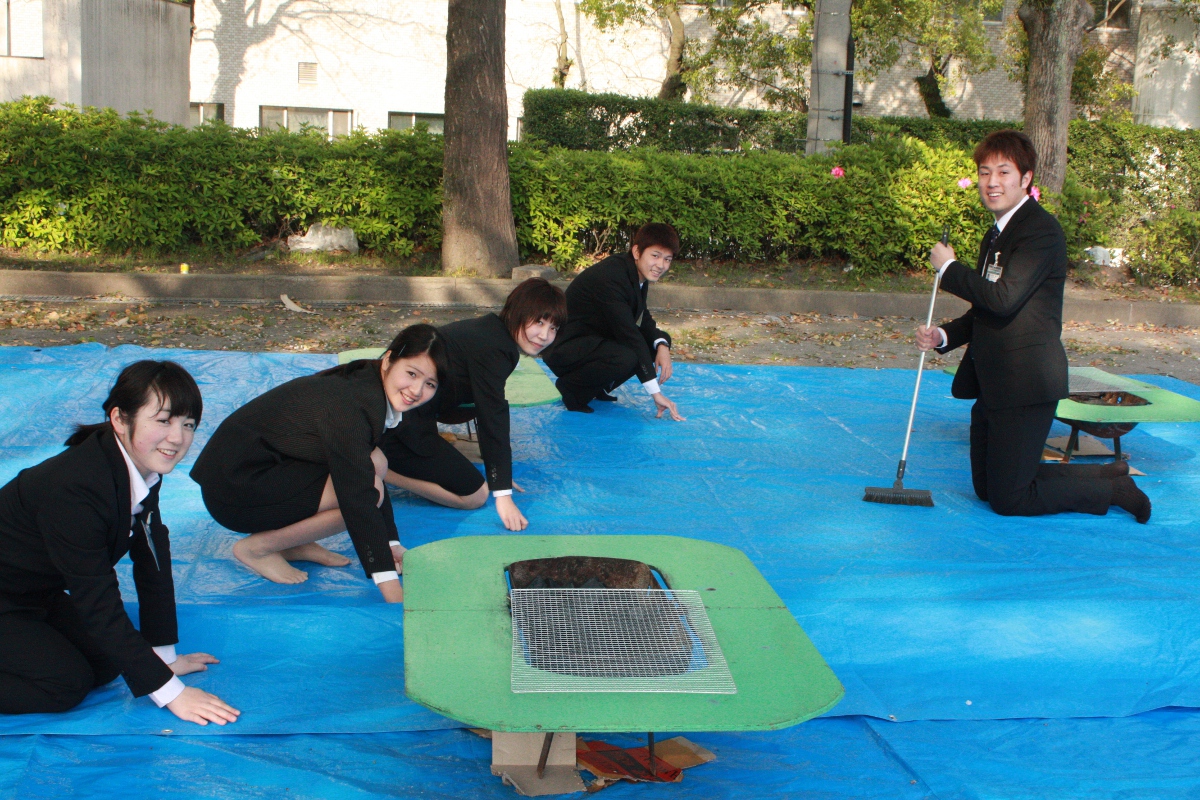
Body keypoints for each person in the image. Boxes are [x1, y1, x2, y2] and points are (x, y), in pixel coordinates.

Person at [917, 129, 1151, 522]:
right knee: (988, 488)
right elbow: (985, 309)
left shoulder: (1040, 231)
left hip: (1027, 383)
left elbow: (1003, 298)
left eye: (1003, 172)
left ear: (1025, 179)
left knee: (1010, 499)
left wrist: (949, 269)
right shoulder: (996, 234)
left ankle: (1112, 488)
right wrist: (944, 335)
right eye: (985, 172)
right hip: (995, 380)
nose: (992, 182)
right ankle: (1102, 472)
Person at [0, 361, 240, 725]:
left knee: (108, 662)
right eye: (163, 420)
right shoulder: (76, 488)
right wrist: (171, 693)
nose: (177, 438)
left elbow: (152, 561)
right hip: (8, 597)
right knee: (64, 685)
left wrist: (163, 659)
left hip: (34, 593)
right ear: (119, 418)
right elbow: (97, 601)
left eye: (187, 424)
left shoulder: (136, 467)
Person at [191, 324, 447, 599]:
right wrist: (390, 586)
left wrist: (390, 543)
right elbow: (358, 496)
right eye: (411, 374)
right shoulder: (353, 406)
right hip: (233, 491)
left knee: (376, 462)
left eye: (429, 383)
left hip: (258, 468)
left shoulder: (367, 381)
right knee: (368, 494)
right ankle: (258, 548)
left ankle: (293, 544)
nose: (416, 390)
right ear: (388, 360)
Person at [379, 278, 567, 532]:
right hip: (397, 422)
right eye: (539, 322)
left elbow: (485, 404)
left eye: (553, 328)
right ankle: (379, 469)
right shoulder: (495, 347)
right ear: (516, 312)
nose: (545, 335)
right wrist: (503, 493)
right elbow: (494, 415)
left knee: (478, 420)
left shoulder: (492, 332)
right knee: (476, 494)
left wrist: (497, 466)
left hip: (409, 410)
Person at [543, 222, 685, 420]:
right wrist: (656, 393)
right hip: (565, 348)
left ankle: (596, 386)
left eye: (667, 259)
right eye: (655, 256)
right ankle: (572, 389)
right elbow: (629, 332)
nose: (661, 265)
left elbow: (643, 316)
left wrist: (663, 345)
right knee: (627, 355)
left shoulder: (635, 273)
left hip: (593, 342)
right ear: (637, 252)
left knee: (654, 343)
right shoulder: (611, 276)